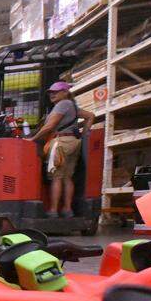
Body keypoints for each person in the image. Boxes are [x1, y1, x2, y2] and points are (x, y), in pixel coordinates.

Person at [29, 81, 95, 218]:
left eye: (56, 92)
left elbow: (49, 127)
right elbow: (90, 116)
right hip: (72, 142)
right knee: (67, 177)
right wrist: (84, 135)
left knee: (56, 177)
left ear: (65, 92)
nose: (52, 94)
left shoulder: (63, 104)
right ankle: (67, 210)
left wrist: (33, 139)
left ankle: (53, 210)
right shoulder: (72, 106)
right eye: (50, 92)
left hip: (60, 143)